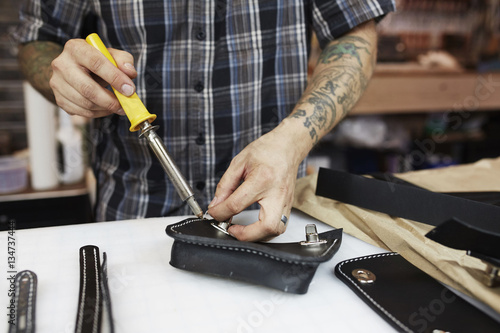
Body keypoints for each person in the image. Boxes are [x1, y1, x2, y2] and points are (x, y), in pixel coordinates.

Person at [15, 0, 395, 241]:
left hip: (271, 209)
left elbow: (353, 31)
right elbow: (39, 38)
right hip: (132, 212)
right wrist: (67, 78)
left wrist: (292, 139)